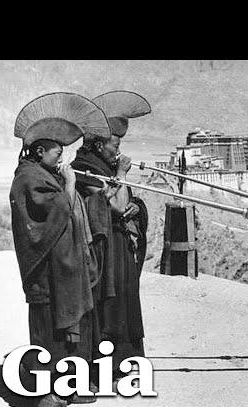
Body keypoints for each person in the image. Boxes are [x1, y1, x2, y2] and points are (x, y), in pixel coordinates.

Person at [9, 92, 111, 407]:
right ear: (40, 150)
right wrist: (69, 184)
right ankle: (46, 395)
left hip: (65, 271)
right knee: (49, 335)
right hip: (46, 274)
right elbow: (55, 213)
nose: (62, 158)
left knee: (69, 333)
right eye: (57, 151)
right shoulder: (28, 178)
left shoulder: (45, 173)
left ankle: (69, 386)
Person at [71, 90, 150, 386]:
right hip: (104, 249)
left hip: (119, 244)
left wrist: (133, 206)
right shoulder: (85, 166)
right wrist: (121, 174)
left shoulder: (101, 165)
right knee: (109, 304)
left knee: (126, 299)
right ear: (99, 143)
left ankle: (125, 361)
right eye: (115, 144)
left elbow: (121, 203)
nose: (117, 150)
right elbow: (115, 205)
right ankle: (107, 366)